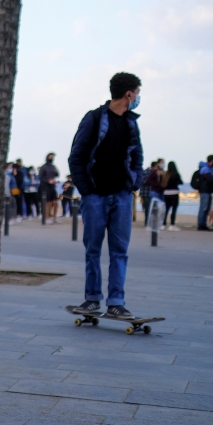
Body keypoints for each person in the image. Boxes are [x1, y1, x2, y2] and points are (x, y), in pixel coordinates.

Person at [67, 72, 144, 319]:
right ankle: (92, 300)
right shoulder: (94, 119)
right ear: (128, 94)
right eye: (138, 93)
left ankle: (116, 302)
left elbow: (137, 156)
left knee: (120, 251)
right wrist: (87, 191)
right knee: (93, 250)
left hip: (122, 197)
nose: (139, 98)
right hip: (95, 198)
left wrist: (134, 183)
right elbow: (76, 157)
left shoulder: (131, 123)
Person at [196, 156, 213, 231]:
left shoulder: (209, 169)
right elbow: (210, 178)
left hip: (209, 190)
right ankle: (200, 224)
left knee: (207, 209)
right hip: (205, 190)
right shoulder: (205, 169)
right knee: (203, 208)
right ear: (212, 160)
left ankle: (203, 224)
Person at [161, 161, 182, 231]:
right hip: (174, 193)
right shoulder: (176, 174)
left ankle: (163, 224)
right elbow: (180, 182)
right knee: (174, 210)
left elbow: (163, 184)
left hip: (166, 193)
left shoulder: (166, 174)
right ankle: (172, 225)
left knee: (166, 210)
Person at [39, 153, 59, 222]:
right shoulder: (43, 167)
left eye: (52, 157)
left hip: (52, 187)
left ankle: (54, 218)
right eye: (50, 157)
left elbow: (57, 175)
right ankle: (47, 218)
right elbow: (40, 177)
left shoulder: (53, 166)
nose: (51, 158)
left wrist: (57, 173)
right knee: (47, 203)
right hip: (45, 187)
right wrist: (48, 181)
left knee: (55, 202)